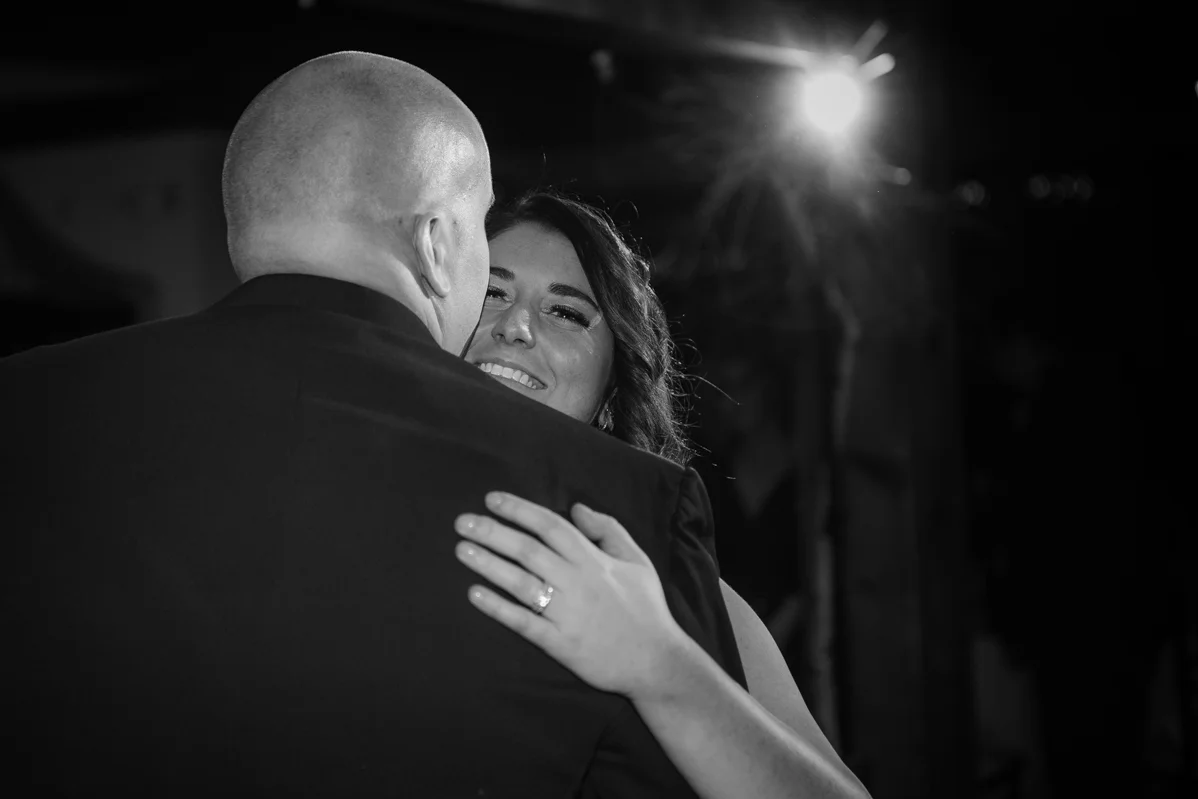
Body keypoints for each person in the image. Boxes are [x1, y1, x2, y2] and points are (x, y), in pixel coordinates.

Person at [0, 53, 743, 798]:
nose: (513, 327)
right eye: (488, 264)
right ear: (437, 243)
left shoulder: (28, 413)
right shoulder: (624, 509)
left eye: (566, 312)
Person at [457, 190, 871, 799]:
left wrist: (659, 663)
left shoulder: (668, 588)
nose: (515, 327)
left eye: (565, 312)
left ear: (611, 394)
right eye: (491, 292)